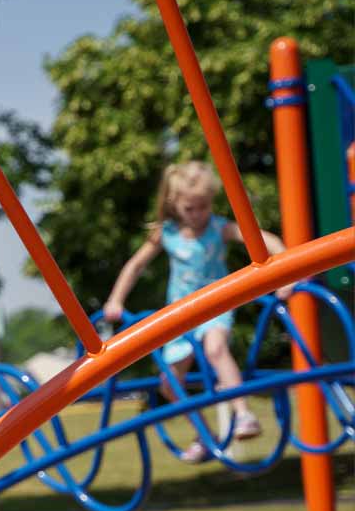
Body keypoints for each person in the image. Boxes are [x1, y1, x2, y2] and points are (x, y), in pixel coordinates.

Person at [103, 160, 292, 463]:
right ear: (174, 204)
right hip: (180, 316)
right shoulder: (166, 234)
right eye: (190, 208)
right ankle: (205, 435)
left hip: (216, 305)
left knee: (215, 348)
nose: (197, 214)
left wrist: (287, 266)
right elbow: (136, 265)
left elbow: (261, 238)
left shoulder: (219, 227)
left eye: (203, 206)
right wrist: (115, 300)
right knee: (169, 384)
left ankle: (243, 415)